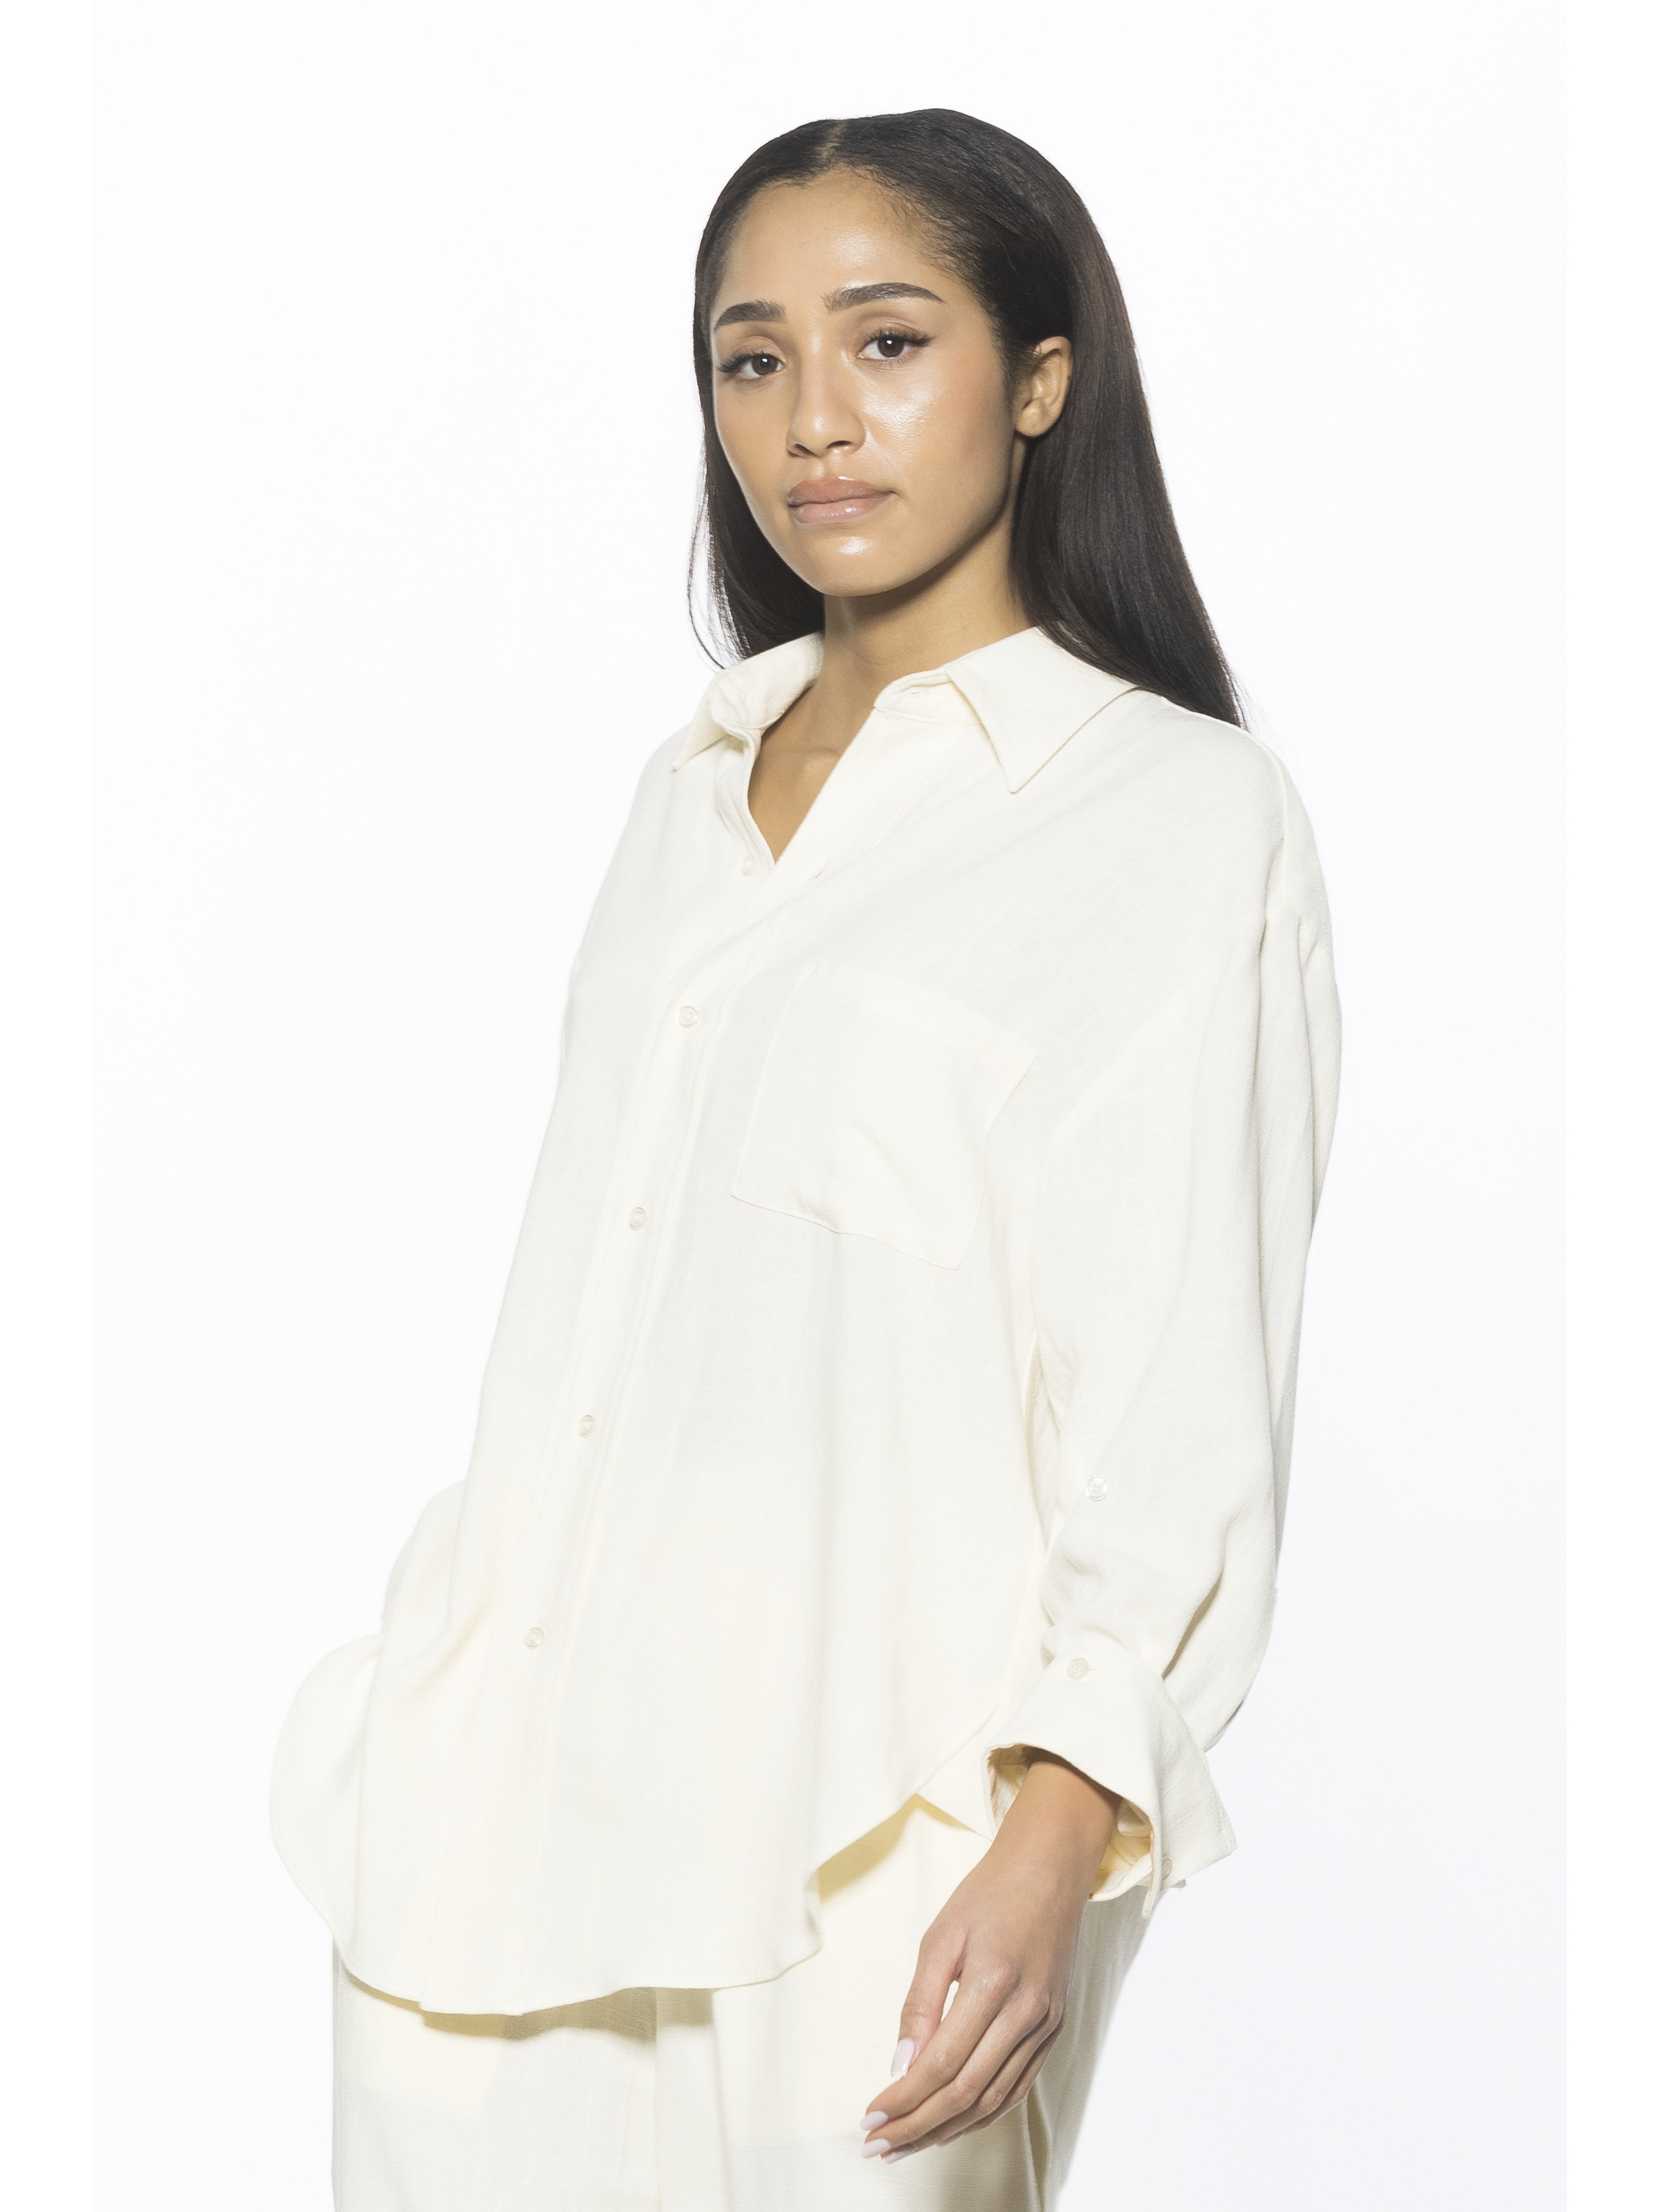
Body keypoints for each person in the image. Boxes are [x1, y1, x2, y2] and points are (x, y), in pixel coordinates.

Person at [272, 106, 1340, 2211]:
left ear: (1040, 380)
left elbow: (1177, 1396)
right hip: (490, 1831)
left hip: (873, 1845)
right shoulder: (685, 790)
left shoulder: (1175, 818)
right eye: (751, 360)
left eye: (890, 342)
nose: (814, 421)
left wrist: (1059, 1829)